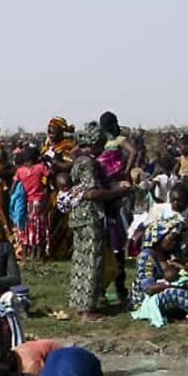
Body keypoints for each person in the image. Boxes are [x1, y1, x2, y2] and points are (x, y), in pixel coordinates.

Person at [64, 125, 133, 322]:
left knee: (81, 260)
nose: (104, 147)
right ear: (94, 143)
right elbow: (91, 193)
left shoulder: (78, 161)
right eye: (101, 143)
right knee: (92, 261)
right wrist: (118, 192)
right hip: (90, 216)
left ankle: (80, 304)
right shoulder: (89, 163)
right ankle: (87, 310)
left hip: (79, 216)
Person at [41, 116, 76, 259]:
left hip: (60, 189)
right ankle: (52, 251)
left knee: (61, 221)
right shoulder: (48, 145)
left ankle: (62, 252)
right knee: (49, 220)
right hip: (47, 189)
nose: (50, 132)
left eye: (53, 129)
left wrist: (54, 162)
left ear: (61, 131)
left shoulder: (67, 146)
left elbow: (70, 165)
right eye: (49, 129)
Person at [15, 148, 49, 260]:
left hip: (25, 202)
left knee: (25, 228)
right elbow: (49, 175)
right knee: (38, 228)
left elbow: (14, 185)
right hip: (38, 201)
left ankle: (25, 255)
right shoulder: (40, 168)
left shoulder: (20, 171)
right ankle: (39, 255)